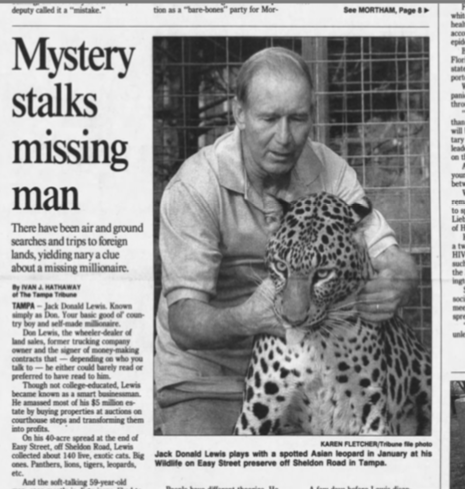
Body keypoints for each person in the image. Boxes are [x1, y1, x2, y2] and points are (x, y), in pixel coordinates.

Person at [154, 47, 419, 435]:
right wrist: (248, 318)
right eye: (269, 118)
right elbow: (183, 322)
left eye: (297, 119)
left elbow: (388, 253)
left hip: (311, 363)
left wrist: (398, 278)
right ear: (238, 113)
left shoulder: (329, 167)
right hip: (208, 376)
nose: (284, 137)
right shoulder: (194, 188)